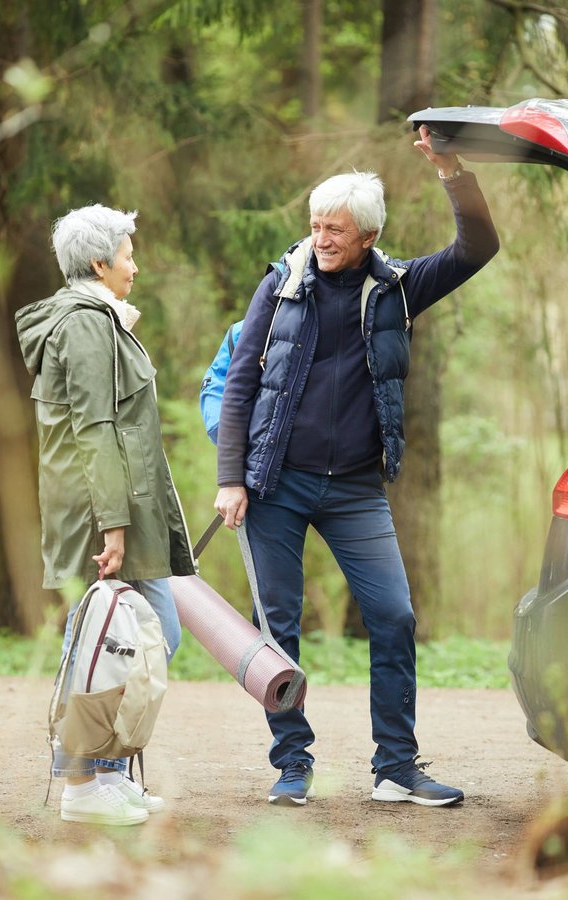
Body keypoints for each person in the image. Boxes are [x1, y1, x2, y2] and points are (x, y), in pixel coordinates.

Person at [214, 127, 499, 807]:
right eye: (315, 225)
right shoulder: (281, 285)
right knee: (277, 626)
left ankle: (396, 767)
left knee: (394, 616)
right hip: (274, 485)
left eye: (335, 228)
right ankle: (292, 762)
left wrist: (451, 171)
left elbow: (478, 248)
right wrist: (231, 478)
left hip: (357, 491)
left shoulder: (399, 289)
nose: (322, 237)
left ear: (367, 236)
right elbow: (240, 388)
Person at [16, 204, 195, 825]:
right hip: (102, 512)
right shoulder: (87, 324)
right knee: (110, 641)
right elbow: (95, 428)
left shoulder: (99, 321)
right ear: (100, 263)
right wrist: (115, 525)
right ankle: (81, 782)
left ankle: (107, 773)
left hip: (109, 506)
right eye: (127, 254)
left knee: (136, 640)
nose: (135, 265)